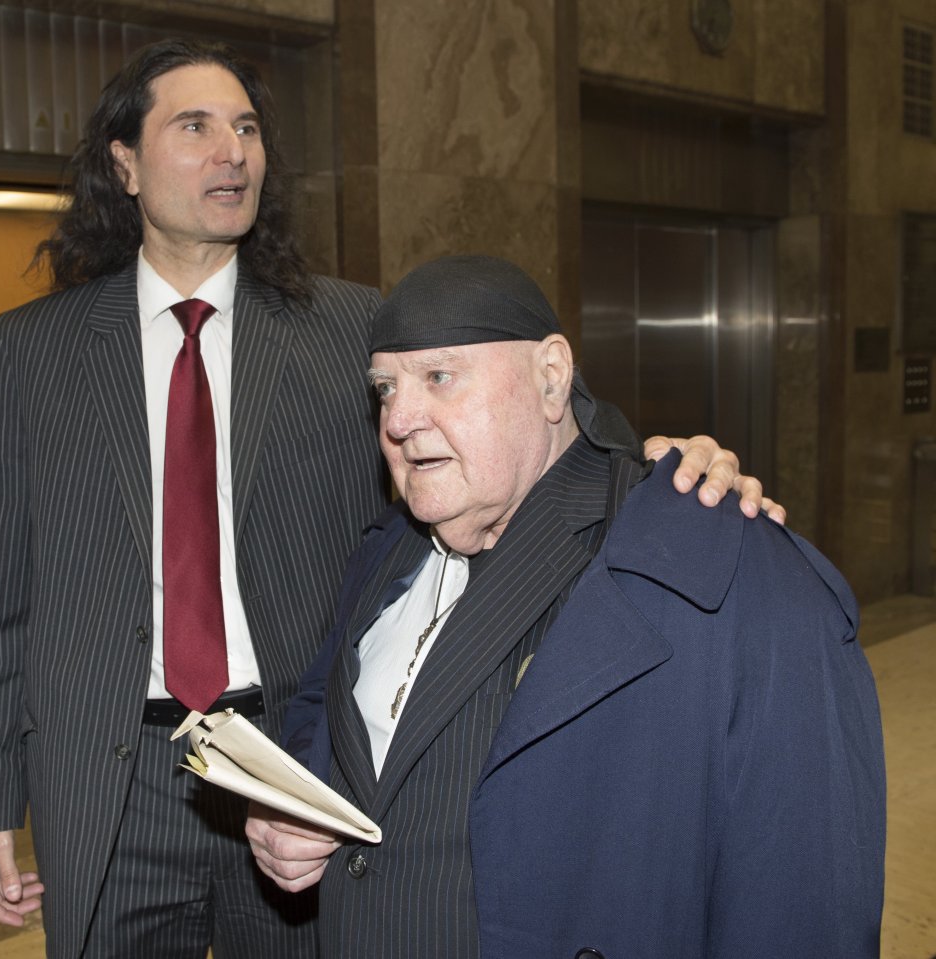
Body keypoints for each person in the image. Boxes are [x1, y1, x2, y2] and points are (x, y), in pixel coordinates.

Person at [0, 37, 777, 959]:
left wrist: (663, 462)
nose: (234, 151)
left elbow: (498, 428)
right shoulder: (37, 348)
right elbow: (0, 596)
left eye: (249, 128)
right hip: (105, 769)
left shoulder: (346, 325)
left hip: (292, 767)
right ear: (126, 163)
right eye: (196, 126)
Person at [248, 256, 886, 959]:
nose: (397, 418)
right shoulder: (385, 550)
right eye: (384, 389)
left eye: (439, 377)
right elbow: (322, 703)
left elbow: (801, 904)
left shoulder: (727, 569)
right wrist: (293, 801)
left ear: (551, 376)